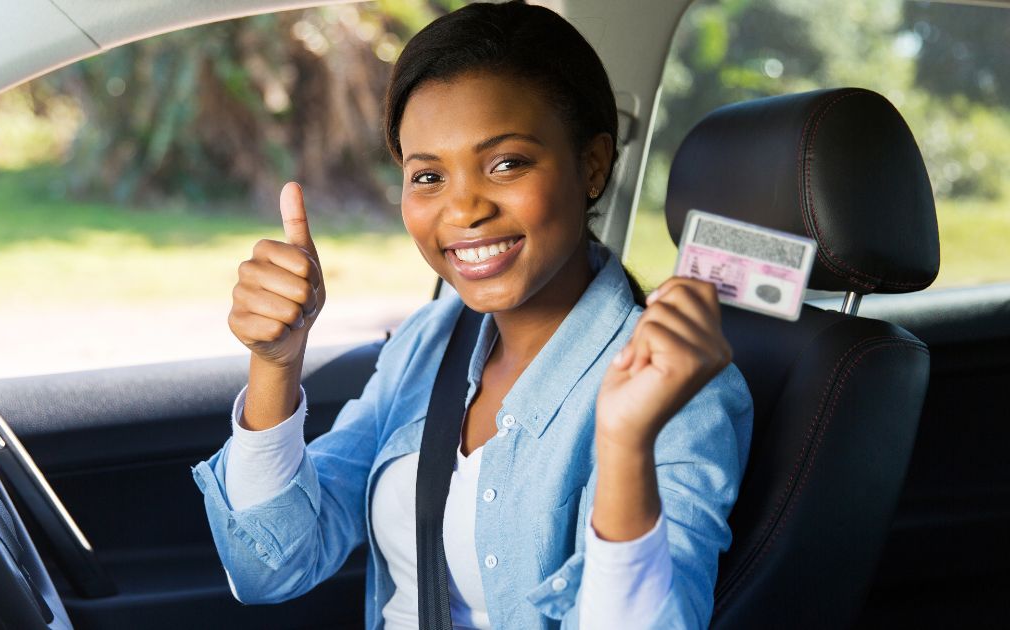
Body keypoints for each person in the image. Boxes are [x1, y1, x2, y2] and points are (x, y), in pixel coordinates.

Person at [192, 2, 753, 628]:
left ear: (591, 166)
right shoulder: (430, 340)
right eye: (428, 175)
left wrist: (624, 446)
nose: (462, 210)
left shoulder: (678, 397)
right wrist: (275, 361)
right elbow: (272, 566)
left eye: (506, 163)